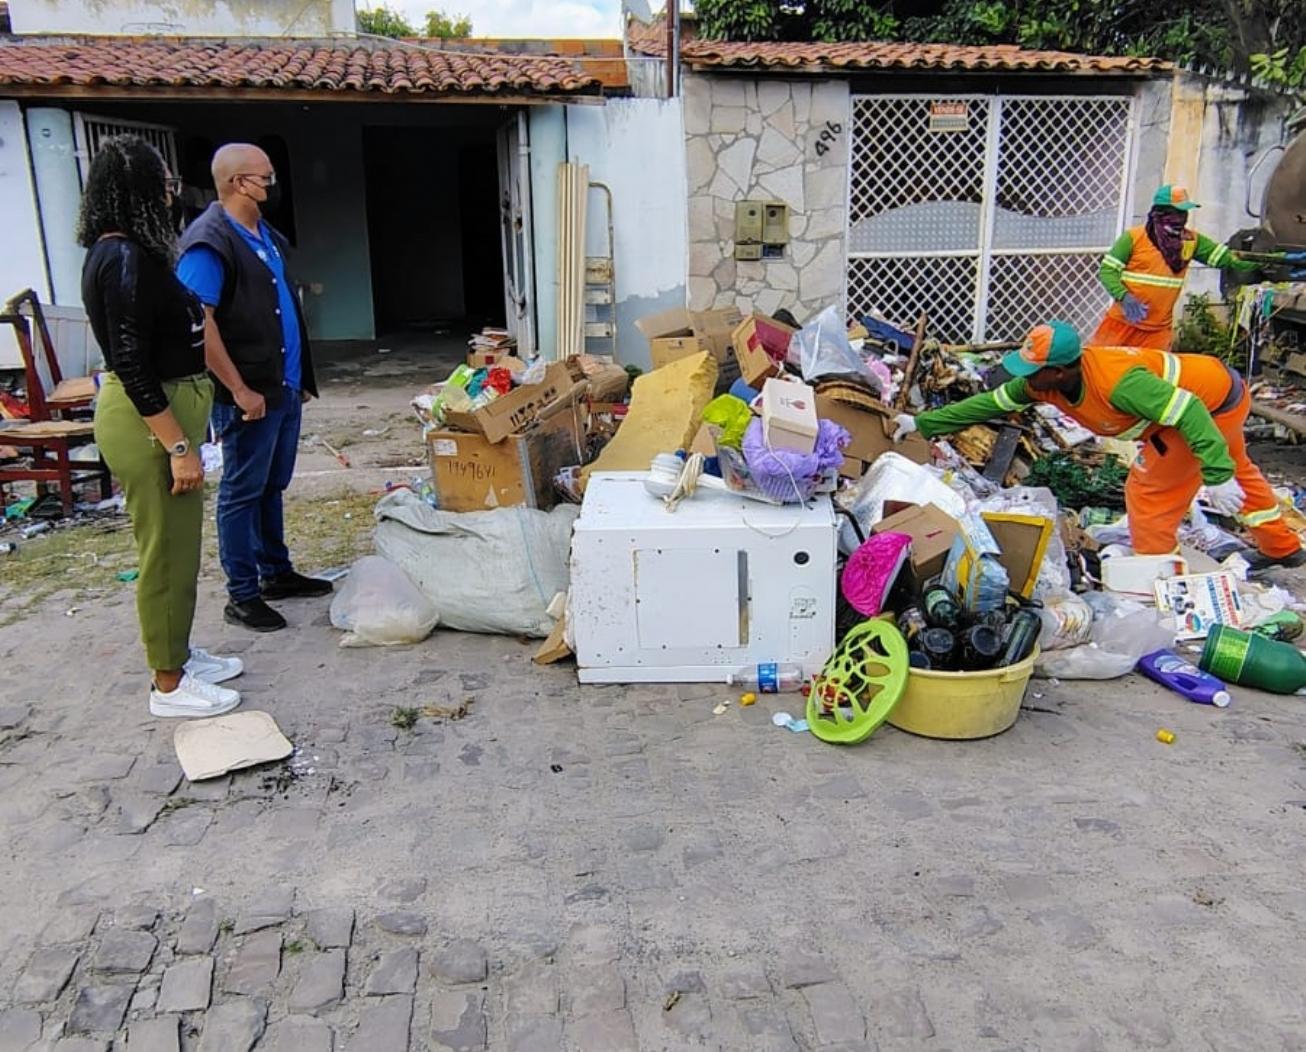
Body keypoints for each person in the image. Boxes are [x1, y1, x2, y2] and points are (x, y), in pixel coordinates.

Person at [893, 321, 1304, 573]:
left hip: (1212, 406)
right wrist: (923, 423)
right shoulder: (1045, 385)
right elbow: (988, 403)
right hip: (1209, 399)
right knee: (1241, 476)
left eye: (1035, 372)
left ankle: (1160, 582)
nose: (1026, 379)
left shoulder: (1118, 382)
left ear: (1062, 369)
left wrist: (1216, 474)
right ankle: (1283, 547)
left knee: (1149, 492)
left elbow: (1190, 412)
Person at [80, 135, 244, 717]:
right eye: (165, 187)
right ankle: (168, 684)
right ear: (138, 194)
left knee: (179, 547)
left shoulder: (135, 254)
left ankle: (177, 650)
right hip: (152, 423)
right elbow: (129, 361)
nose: (172, 196)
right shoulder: (120, 258)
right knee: (165, 553)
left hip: (167, 416)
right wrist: (177, 445)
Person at [176, 143, 331, 632]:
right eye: (266, 178)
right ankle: (241, 594)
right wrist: (240, 389)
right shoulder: (209, 242)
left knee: (271, 485)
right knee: (242, 491)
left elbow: (279, 305)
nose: (273, 185)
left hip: (281, 384)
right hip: (247, 393)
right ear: (240, 183)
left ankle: (276, 573)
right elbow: (200, 324)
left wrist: (297, 378)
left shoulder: (263, 233)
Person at [1092, 185, 1259, 350]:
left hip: (1158, 332)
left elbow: (1228, 259)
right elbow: (1107, 271)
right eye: (1176, 213)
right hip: (1122, 323)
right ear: (1160, 213)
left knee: (1154, 374)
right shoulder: (1133, 238)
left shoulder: (1190, 241)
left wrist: (1268, 261)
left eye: (1184, 213)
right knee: (1101, 368)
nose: (1181, 218)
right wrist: (1124, 297)